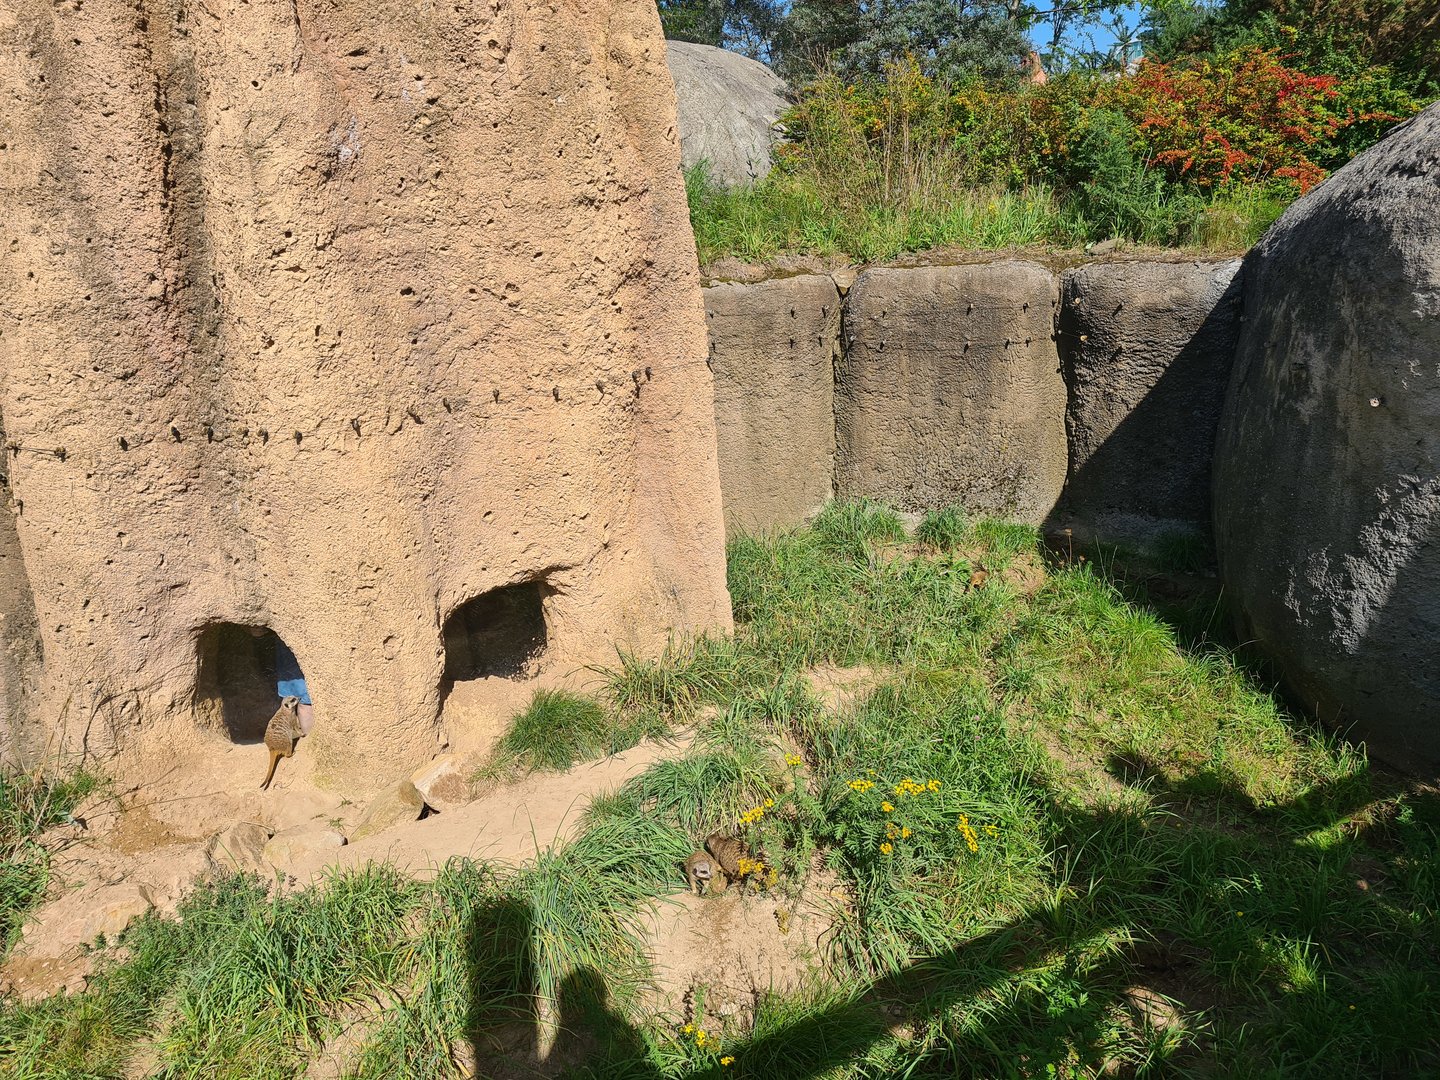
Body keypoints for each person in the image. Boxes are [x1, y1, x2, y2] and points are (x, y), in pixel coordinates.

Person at [274, 636, 315, 735]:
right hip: (298, 653)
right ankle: (310, 741)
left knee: (290, 701)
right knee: (305, 703)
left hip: (285, 653)